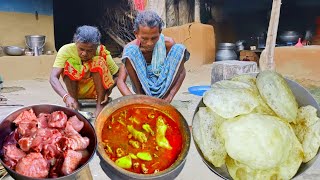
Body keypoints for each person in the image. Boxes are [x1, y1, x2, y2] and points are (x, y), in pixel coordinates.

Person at [117, 10, 189, 102]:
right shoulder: (132, 49)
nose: (149, 43)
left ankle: (163, 97)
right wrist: (135, 100)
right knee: (130, 50)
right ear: (136, 34)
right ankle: (141, 96)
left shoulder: (168, 44)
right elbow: (120, 81)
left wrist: (170, 96)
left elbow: (181, 72)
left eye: (154, 38)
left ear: (160, 32)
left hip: (164, 88)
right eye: (144, 38)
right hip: (142, 89)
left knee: (179, 48)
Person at [49, 25, 119, 116]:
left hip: (97, 92)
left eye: (90, 50)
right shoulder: (65, 50)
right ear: (76, 42)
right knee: (69, 64)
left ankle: (100, 104)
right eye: (81, 49)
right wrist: (66, 97)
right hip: (76, 91)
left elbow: (118, 75)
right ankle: (75, 102)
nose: (84, 54)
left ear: (96, 47)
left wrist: (107, 91)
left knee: (98, 61)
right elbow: (53, 77)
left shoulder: (101, 50)